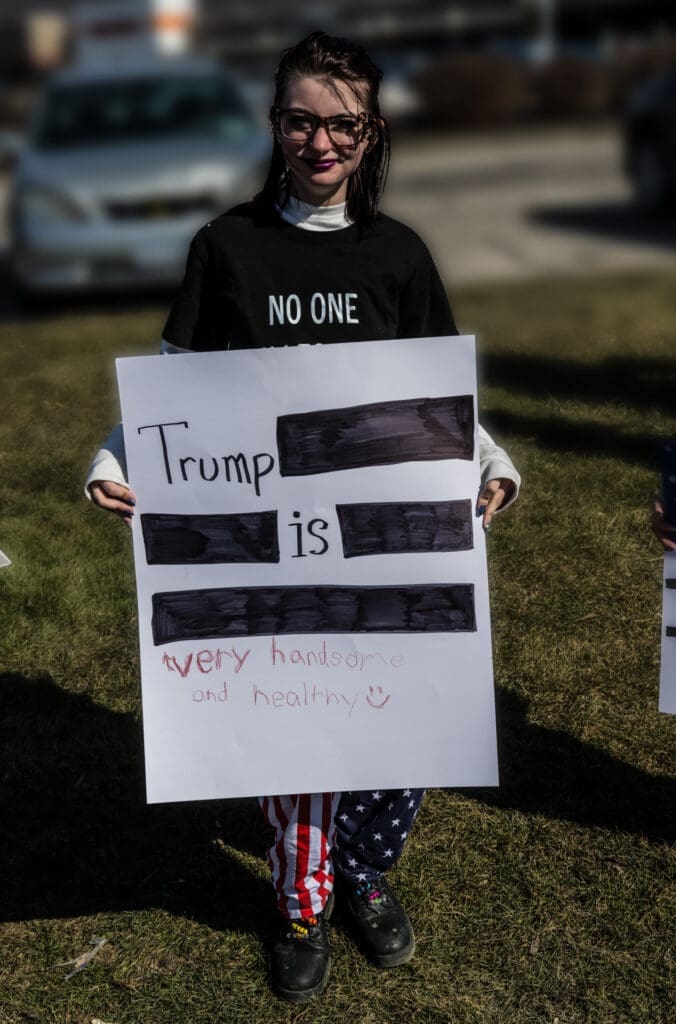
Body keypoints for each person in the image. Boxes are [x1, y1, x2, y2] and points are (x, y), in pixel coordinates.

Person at [87, 31, 521, 1003]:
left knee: (401, 729)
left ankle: (360, 871)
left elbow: (438, 399)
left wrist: (488, 462)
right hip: (264, 545)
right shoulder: (227, 246)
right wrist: (112, 459)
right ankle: (299, 897)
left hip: (382, 543)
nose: (319, 142)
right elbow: (174, 391)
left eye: (342, 124)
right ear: (274, 124)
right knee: (293, 733)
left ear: (371, 135)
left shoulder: (398, 256)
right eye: (300, 120)